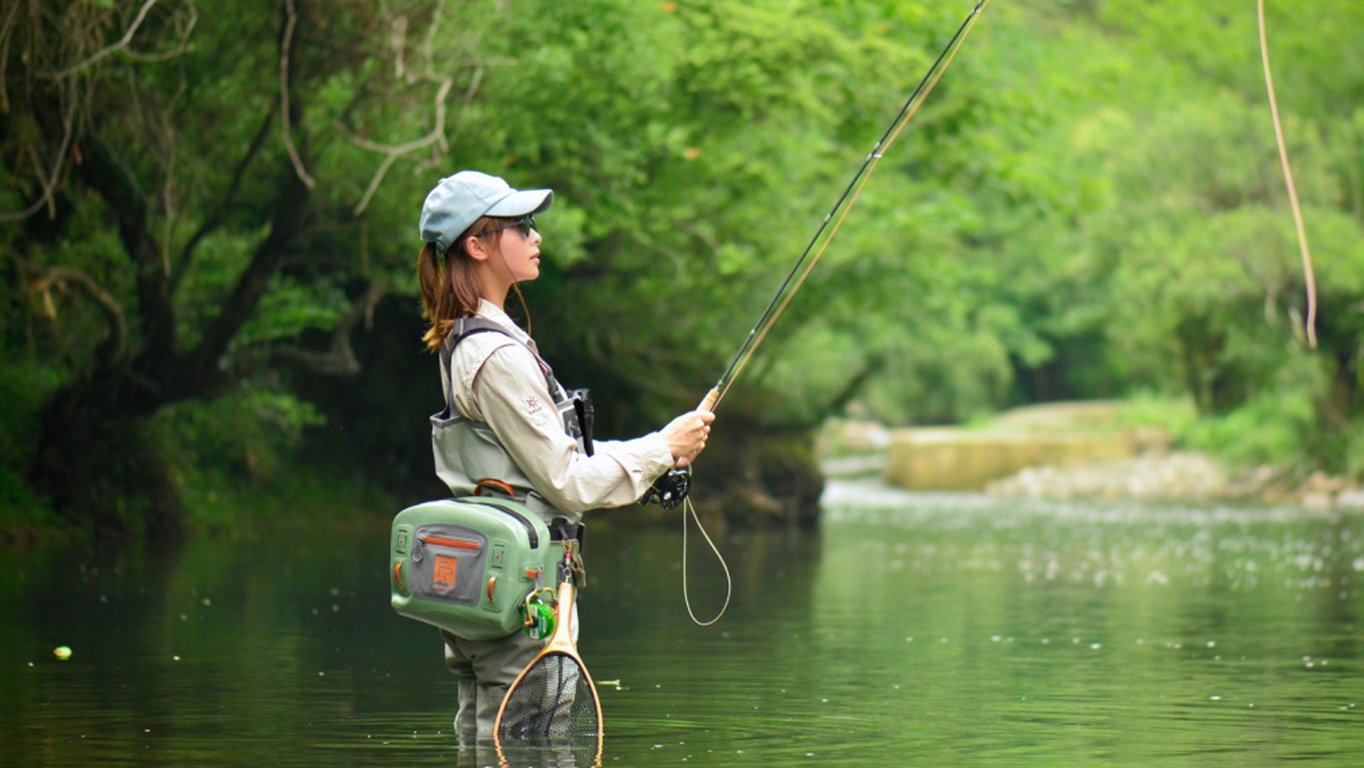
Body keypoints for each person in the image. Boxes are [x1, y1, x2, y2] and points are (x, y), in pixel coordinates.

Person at [415, 170, 716, 742]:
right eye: (520, 226)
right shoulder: (495, 355)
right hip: (522, 599)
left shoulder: (467, 340)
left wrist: (661, 450)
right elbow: (568, 482)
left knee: (486, 744)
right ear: (477, 246)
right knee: (529, 749)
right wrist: (661, 449)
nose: (536, 237)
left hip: (488, 589)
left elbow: (552, 460)